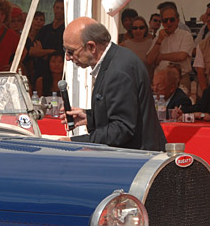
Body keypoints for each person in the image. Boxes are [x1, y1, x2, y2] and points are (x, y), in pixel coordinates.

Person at [61, 17, 165, 151]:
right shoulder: (115, 59)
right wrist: (90, 117)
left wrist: (75, 141)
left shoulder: (118, 71)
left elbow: (122, 128)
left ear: (91, 47)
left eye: (71, 51)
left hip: (138, 158)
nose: (67, 58)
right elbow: (123, 115)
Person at [145, 5, 194, 82]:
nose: (168, 23)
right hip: (160, 78)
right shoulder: (159, 37)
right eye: (165, 20)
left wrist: (160, 57)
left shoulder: (185, 35)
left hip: (180, 78)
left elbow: (181, 56)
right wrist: (159, 41)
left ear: (177, 20)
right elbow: (149, 60)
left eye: (171, 20)